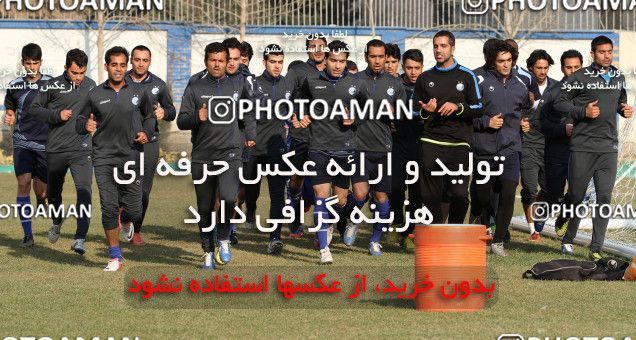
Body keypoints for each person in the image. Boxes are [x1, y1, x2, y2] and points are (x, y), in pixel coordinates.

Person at [177, 42, 256, 269]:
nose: (218, 64)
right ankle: (207, 253)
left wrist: (250, 134)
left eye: (222, 60)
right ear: (206, 61)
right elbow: (182, 120)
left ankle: (223, 239)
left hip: (230, 153)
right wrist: (197, 117)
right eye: (213, 60)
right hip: (203, 156)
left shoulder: (238, 84)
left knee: (229, 199)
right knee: (204, 207)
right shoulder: (194, 86)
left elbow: (248, 111)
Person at [76, 46, 155, 271]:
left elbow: (150, 118)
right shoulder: (94, 94)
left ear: (127, 66)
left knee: (135, 208)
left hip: (131, 155)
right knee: (108, 206)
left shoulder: (139, 92)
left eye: (122, 65)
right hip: (103, 157)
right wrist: (85, 125)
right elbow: (79, 121)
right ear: (106, 66)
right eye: (114, 65)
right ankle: (114, 256)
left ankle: (128, 219)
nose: (118, 69)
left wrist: (146, 133)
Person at [554, 35, 633, 260]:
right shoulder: (580, 77)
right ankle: (567, 234)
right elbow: (559, 102)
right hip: (582, 146)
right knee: (577, 196)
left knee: (604, 198)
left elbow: (619, 102)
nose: (606, 56)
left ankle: (596, 247)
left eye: (610, 52)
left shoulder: (618, 77)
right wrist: (582, 112)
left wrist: (623, 109)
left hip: (609, 147)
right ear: (592, 54)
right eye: (602, 52)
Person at [293, 40, 362, 264]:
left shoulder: (355, 82)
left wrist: (354, 118)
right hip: (318, 148)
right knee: (321, 197)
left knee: (340, 199)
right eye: (333, 60)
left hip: (344, 149)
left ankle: (340, 219)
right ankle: (324, 250)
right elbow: (299, 103)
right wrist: (300, 116)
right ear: (326, 58)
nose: (337, 65)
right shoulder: (312, 81)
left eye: (342, 61)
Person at [412, 30, 483, 224]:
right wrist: (428, 110)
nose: (438, 50)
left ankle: (455, 229)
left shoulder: (467, 76)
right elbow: (413, 111)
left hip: (458, 143)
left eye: (443, 46)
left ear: (452, 48)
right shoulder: (425, 78)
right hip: (431, 140)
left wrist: (458, 107)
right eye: (435, 46)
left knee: (459, 194)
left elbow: (479, 107)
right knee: (429, 196)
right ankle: (436, 232)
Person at [30, 49, 95, 254]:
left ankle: (80, 238)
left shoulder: (91, 86)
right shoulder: (52, 85)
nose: (78, 77)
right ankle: (57, 220)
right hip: (56, 149)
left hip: (82, 148)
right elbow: (34, 108)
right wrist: (56, 114)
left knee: (84, 190)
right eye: (75, 72)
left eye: (82, 73)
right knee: (54, 193)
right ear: (66, 68)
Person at [471, 39, 532, 257]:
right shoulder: (479, 82)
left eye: (509, 60)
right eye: (501, 61)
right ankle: (483, 225)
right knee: (482, 195)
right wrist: (485, 122)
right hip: (484, 149)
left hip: (511, 148)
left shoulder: (522, 84)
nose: (506, 65)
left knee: (508, 193)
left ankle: (498, 241)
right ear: (493, 62)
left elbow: (526, 110)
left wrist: (525, 122)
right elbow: (469, 116)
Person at [347, 39, 406, 256]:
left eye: (381, 57)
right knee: (360, 194)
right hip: (360, 147)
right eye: (373, 56)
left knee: (381, 197)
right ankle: (353, 220)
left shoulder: (395, 84)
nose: (378, 61)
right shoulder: (354, 80)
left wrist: (395, 113)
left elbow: (403, 116)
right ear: (366, 57)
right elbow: (343, 107)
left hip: (384, 149)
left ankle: (374, 240)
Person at [124, 45, 176, 245]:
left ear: (150, 62)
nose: (141, 64)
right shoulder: (120, 81)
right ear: (131, 60)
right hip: (124, 143)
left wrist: (165, 113)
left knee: (144, 190)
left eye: (145, 60)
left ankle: (136, 230)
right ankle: (123, 214)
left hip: (150, 144)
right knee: (123, 185)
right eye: (137, 59)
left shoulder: (159, 85)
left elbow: (171, 112)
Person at [245, 44, 293, 254]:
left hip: (277, 149)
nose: (277, 66)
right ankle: (249, 211)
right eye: (272, 61)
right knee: (247, 191)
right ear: (264, 62)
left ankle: (274, 238)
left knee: (277, 196)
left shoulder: (288, 85)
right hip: (254, 148)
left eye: (280, 62)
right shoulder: (253, 84)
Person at [4, 43, 51, 247]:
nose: (32, 67)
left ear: (41, 62)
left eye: (35, 63)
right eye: (28, 63)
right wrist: (9, 116)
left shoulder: (52, 84)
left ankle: (41, 200)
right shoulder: (15, 85)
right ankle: (28, 234)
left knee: (41, 190)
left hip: (44, 146)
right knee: (23, 184)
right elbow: (10, 109)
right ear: (23, 62)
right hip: (22, 143)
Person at [285, 34, 328, 238]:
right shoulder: (298, 71)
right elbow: (286, 96)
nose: (318, 50)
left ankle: (324, 229)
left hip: (327, 136)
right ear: (307, 50)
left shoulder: (333, 71)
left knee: (325, 186)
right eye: (313, 46)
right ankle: (295, 220)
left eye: (321, 46)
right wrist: (293, 114)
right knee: (297, 179)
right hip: (301, 134)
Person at [540, 49, 583, 240]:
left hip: (582, 152)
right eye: (569, 67)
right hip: (556, 152)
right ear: (562, 68)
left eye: (577, 67)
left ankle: (564, 221)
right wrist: (561, 130)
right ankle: (546, 210)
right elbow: (540, 123)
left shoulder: (592, 91)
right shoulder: (553, 92)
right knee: (555, 197)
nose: (573, 71)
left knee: (576, 195)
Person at [521, 49, 557, 242]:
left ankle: (539, 217)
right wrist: (521, 120)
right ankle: (533, 230)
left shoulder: (558, 88)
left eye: (545, 67)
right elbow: (511, 110)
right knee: (529, 188)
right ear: (530, 68)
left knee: (550, 189)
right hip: (528, 144)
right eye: (539, 68)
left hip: (550, 145)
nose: (542, 71)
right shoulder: (521, 88)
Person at [390, 48, 423, 250]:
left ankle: (409, 230)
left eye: (417, 68)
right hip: (397, 142)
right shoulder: (394, 86)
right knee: (395, 187)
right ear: (403, 67)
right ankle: (397, 220)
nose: (413, 72)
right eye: (409, 67)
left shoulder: (428, 85)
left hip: (420, 144)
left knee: (417, 192)